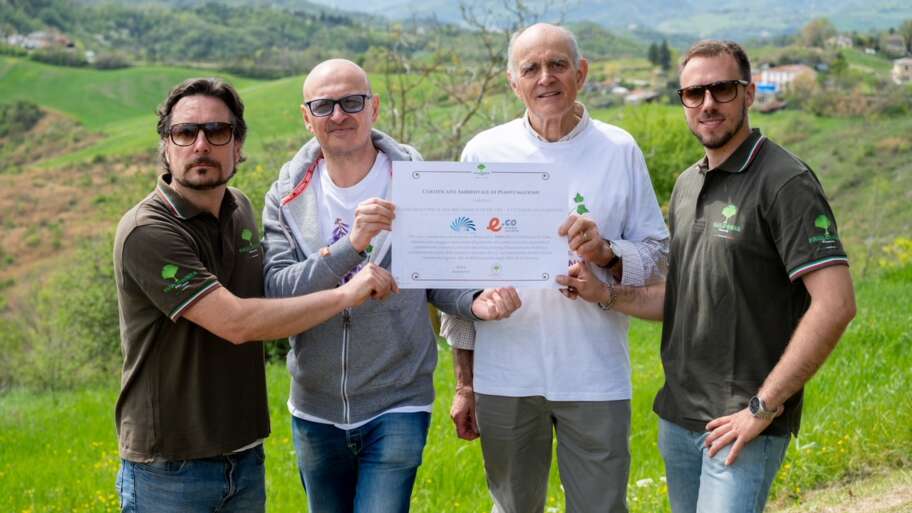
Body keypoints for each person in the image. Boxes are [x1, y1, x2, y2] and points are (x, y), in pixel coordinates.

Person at [557, 40, 857, 513]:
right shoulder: (686, 184)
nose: (708, 103)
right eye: (693, 93)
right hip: (680, 420)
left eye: (722, 89)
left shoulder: (784, 182)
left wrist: (764, 407)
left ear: (750, 93)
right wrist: (605, 293)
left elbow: (836, 304)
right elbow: (683, 298)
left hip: (743, 424)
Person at [113, 77, 396, 513]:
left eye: (217, 132)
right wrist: (347, 293)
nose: (201, 145)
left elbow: (279, 288)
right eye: (185, 133)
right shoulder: (148, 231)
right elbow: (239, 323)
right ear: (166, 146)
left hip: (243, 455)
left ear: (238, 145)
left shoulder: (241, 209)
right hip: (169, 466)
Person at [260, 59, 520, 513]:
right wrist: (352, 247)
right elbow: (278, 291)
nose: (338, 115)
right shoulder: (285, 197)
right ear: (307, 117)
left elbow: (438, 276)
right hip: (315, 406)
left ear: (373, 108)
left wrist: (474, 302)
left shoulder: (419, 183)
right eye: (324, 105)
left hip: (398, 399)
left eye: (351, 102)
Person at [440, 24, 668, 513]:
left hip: (594, 372)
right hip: (505, 376)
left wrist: (607, 253)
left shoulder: (619, 148)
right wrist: (464, 383)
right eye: (531, 68)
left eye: (558, 64)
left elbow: (657, 254)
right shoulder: (483, 153)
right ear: (512, 81)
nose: (546, 77)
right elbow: (460, 270)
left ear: (581, 73)